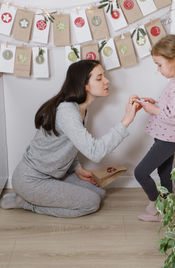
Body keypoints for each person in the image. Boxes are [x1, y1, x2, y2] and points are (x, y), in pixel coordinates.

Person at [0, 60, 139, 218]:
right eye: (99, 78)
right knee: (91, 202)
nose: (107, 81)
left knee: (99, 191)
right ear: (84, 84)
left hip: (54, 174)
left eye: (104, 76)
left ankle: (34, 198)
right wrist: (126, 121)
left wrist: (77, 168)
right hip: (32, 180)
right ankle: (25, 202)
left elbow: (67, 144)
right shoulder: (67, 112)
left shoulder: (80, 109)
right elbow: (95, 152)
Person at [133, 34, 175, 222]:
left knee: (140, 172)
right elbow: (172, 109)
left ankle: (156, 205)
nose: (158, 69)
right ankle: (167, 213)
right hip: (165, 137)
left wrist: (153, 109)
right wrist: (155, 103)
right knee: (164, 176)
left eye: (159, 64)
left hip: (168, 139)